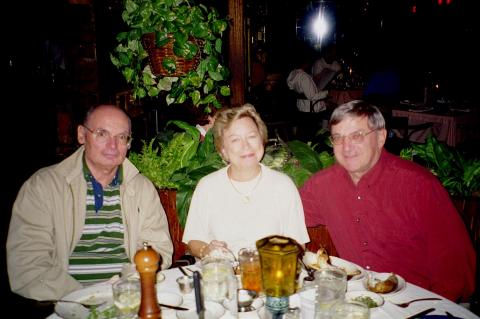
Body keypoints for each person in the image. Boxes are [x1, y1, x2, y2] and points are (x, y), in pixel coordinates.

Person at [300, 100, 476, 302]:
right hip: (359, 301)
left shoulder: (418, 185)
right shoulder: (322, 185)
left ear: (381, 137)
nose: (346, 147)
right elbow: (283, 211)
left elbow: (457, 266)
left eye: (357, 136)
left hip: (419, 302)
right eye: (338, 138)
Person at [6, 104, 173, 301]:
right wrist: (88, 298)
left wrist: (126, 287)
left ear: (128, 143)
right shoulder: (43, 187)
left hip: (128, 298)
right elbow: (27, 264)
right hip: (66, 302)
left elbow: (158, 250)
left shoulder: (142, 189)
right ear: (81, 135)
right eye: (102, 134)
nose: (113, 145)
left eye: (121, 137)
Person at [182, 103, 310, 258]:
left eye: (252, 136)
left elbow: (297, 244)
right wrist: (206, 250)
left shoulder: (283, 186)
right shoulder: (207, 187)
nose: (246, 145)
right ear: (223, 150)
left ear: (262, 140)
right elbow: (194, 239)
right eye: (235, 140)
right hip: (222, 275)